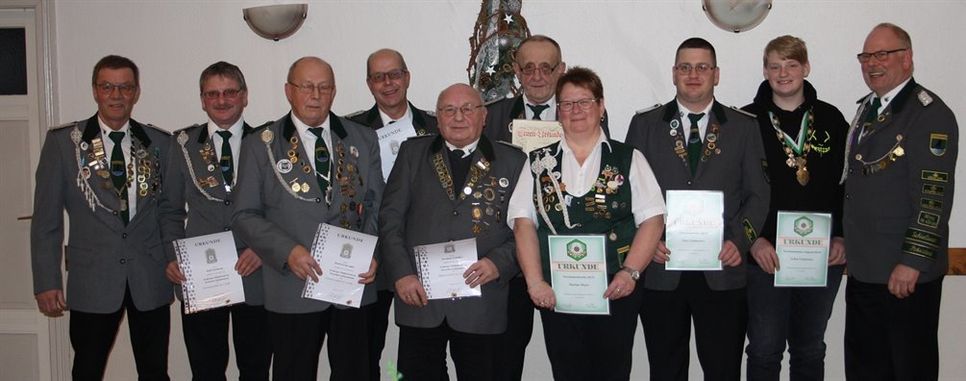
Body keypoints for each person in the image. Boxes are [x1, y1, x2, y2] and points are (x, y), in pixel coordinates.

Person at [625, 37, 770, 381]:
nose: (694, 74)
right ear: (674, 73)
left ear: (716, 74)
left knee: (723, 370)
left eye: (702, 67)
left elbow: (759, 193)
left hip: (723, 268)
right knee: (665, 369)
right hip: (661, 269)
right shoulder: (645, 126)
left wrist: (741, 241)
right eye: (685, 67)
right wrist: (646, 243)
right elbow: (627, 194)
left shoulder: (744, 127)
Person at [232, 56, 384, 380]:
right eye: (307, 86)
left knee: (356, 372)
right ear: (289, 91)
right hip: (293, 285)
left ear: (334, 92)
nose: (316, 95)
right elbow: (244, 215)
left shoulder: (362, 138)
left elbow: (375, 205)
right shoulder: (260, 145)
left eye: (324, 87)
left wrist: (369, 252)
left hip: (351, 286)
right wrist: (287, 251)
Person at [509, 67, 665, 380]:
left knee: (613, 369)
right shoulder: (537, 162)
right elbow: (523, 223)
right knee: (567, 370)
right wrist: (535, 282)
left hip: (615, 286)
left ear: (601, 106)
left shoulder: (627, 157)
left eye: (584, 102)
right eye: (567, 104)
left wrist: (630, 271)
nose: (575, 110)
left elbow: (653, 219)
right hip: (557, 289)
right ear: (558, 111)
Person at [31, 54, 172, 380]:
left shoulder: (159, 144)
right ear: (95, 91)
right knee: (87, 370)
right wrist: (47, 281)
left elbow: (168, 211)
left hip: (148, 277)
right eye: (108, 86)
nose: (116, 95)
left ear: (136, 92)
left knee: (154, 372)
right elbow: (46, 222)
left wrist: (174, 261)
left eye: (125, 87)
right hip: (92, 279)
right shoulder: (63, 144)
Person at [483, 34, 609, 380]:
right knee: (506, 353)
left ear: (561, 69)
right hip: (509, 253)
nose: (537, 76)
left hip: (568, 258)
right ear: (516, 72)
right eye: (528, 68)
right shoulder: (491, 118)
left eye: (546, 67)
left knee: (572, 357)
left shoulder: (585, 113)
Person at [380, 83, 523, 381]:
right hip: (419, 297)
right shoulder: (412, 153)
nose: (458, 117)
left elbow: (523, 230)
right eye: (448, 110)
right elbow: (390, 219)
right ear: (438, 117)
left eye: (467, 109)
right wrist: (401, 274)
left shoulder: (512, 161)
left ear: (483, 116)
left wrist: (498, 263)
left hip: (481, 299)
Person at [842, 23, 958, 381]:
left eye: (883, 54)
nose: (872, 63)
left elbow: (933, 197)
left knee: (908, 369)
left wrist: (912, 261)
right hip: (865, 269)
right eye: (866, 56)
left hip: (903, 275)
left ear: (907, 58)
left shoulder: (928, 114)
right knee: (866, 369)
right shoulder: (868, 110)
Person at [740, 36, 848, 381]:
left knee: (810, 348)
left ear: (806, 68)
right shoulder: (745, 121)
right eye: (774, 66)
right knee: (764, 349)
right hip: (764, 258)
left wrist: (842, 236)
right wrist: (752, 240)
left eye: (791, 65)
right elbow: (733, 190)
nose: (783, 73)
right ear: (765, 71)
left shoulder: (832, 119)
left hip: (821, 256)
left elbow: (849, 187)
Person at [159, 61, 272, 380]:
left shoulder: (267, 141)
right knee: (206, 368)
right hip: (200, 273)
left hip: (254, 270)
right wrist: (171, 256)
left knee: (256, 367)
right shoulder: (181, 144)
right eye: (212, 94)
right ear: (202, 99)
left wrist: (264, 248)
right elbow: (169, 209)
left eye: (229, 92)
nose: (221, 100)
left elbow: (280, 208)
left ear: (244, 96)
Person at [345, 48, 439, 380]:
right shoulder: (350, 129)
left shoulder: (435, 125)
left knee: (420, 354)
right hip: (367, 256)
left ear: (407, 76)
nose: (388, 83)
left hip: (420, 254)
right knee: (362, 350)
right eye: (378, 77)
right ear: (369, 84)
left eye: (394, 74)